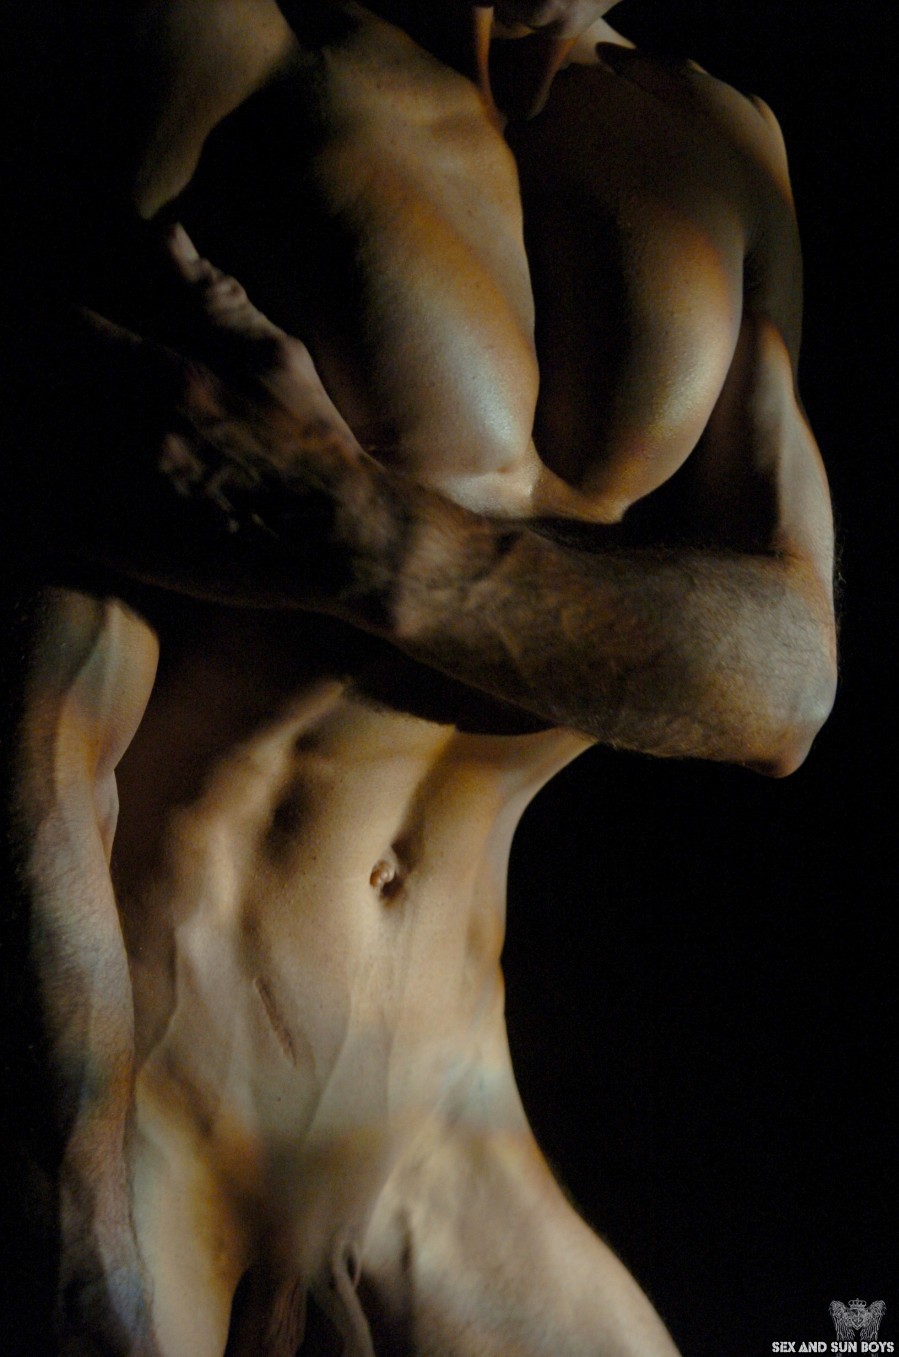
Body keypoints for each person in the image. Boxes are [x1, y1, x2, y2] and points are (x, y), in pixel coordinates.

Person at [0, 1, 836, 1353]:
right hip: (150, 1091)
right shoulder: (210, 47)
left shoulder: (718, 142)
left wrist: (359, 537)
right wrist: (74, 1232)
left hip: (443, 1125)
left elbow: (786, 682)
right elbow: (43, 701)